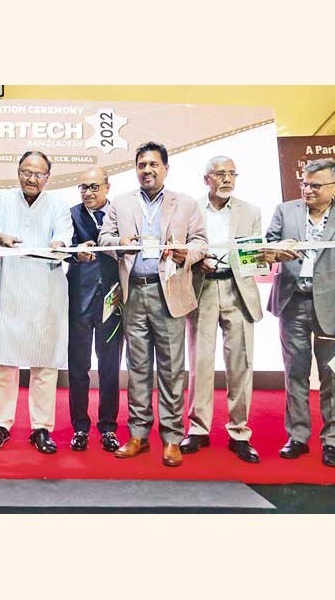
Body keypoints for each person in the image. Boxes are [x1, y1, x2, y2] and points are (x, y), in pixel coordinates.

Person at [98, 141, 207, 467]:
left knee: (172, 370)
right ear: (136, 169)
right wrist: (120, 242)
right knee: (138, 368)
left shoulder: (185, 204)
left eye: (153, 165)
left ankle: (172, 437)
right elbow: (104, 239)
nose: (147, 170)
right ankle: (139, 435)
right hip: (135, 293)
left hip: (170, 292)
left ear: (166, 168)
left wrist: (185, 252)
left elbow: (202, 242)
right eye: (142, 165)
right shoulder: (120, 203)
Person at [265, 158, 335, 467]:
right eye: (304, 183)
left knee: (333, 376)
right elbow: (264, 247)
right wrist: (274, 249)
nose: (307, 190)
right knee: (295, 373)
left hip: (334, 309)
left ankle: (333, 442)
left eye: (315, 185)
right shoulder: (285, 211)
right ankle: (297, 436)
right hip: (292, 303)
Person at [0, 151, 74, 454]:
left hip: (47, 289)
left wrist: (58, 244)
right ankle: (1, 425)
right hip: (10, 286)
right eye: (25, 172)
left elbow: (64, 236)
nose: (30, 179)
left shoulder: (59, 204)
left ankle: (41, 429)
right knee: (4, 361)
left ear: (48, 177)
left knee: (45, 364)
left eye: (37, 174)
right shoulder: (1, 197)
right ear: (18, 172)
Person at [182, 156, 263, 463]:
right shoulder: (192, 209)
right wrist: (194, 260)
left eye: (232, 174)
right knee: (200, 363)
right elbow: (182, 247)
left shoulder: (251, 211)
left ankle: (239, 432)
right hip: (202, 287)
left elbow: (255, 254)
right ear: (207, 179)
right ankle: (198, 430)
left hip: (238, 288)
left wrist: (262, 256)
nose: (227, 179)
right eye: (220, 174)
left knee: (240, 364)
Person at [66, 167, 122, 452]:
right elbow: (62, 247)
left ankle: (108, 427)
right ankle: (79, 427)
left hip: (113, 301)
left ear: (107, 187)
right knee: (78, 368)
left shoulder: (121, 214)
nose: (88, 193)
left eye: (94, 187)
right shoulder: (71, 214)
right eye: (83, 187)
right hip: (78, 301)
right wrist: (76, 252)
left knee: (110, 368)